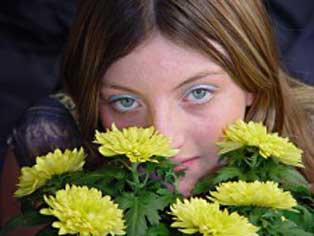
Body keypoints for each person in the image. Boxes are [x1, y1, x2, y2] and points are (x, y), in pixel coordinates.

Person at [1, 0, 314, 234]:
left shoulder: (309, 144)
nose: (164, 139)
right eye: (125, 101)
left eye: (198, 93)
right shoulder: (47, 146)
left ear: (252, 83)